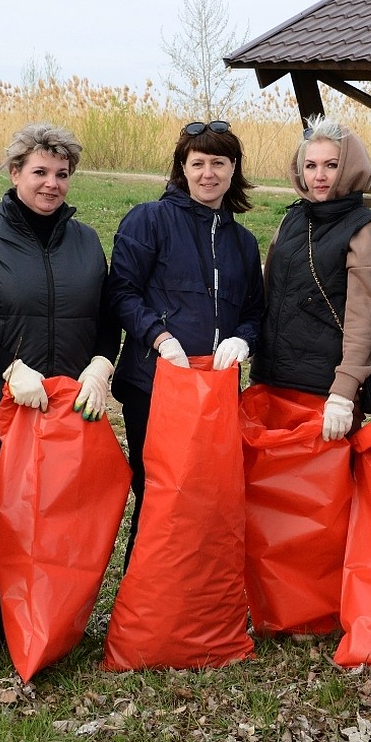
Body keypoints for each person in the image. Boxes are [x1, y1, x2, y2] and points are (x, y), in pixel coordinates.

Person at [0, 123, 120, 657]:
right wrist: (10, 367)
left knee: (63, 522)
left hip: (69, 408)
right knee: (2, 523)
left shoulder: (85, 240)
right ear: (15, 173)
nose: (51, 184)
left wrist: (102, 364)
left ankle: (47, 624)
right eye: (39, 172)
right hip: (2, 405)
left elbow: (108, 318)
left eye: (61, 174)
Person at [107, 120, 264, 567]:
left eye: (219, 163)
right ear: (182, 168)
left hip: (215, 392)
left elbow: (255, 312)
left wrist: (243, 339)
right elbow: (120, 292)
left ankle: (193, 594)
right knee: (158, 491)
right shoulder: (149, 220)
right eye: (198, 163)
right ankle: (143, 602)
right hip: (155, 386)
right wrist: (158, 336)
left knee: (203, 495)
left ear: (234, 169)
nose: (208, 173)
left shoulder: (243, 243)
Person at [251, 116, 371, 442]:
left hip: (324, 388)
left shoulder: (364, 229)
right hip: (273, 378)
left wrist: (343, 390)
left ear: (349, 167)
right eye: (311, 166)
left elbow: (364, 318)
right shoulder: (293, 218)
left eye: (331, 165)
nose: (320, 176)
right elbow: (268, 292)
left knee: (321, 488)